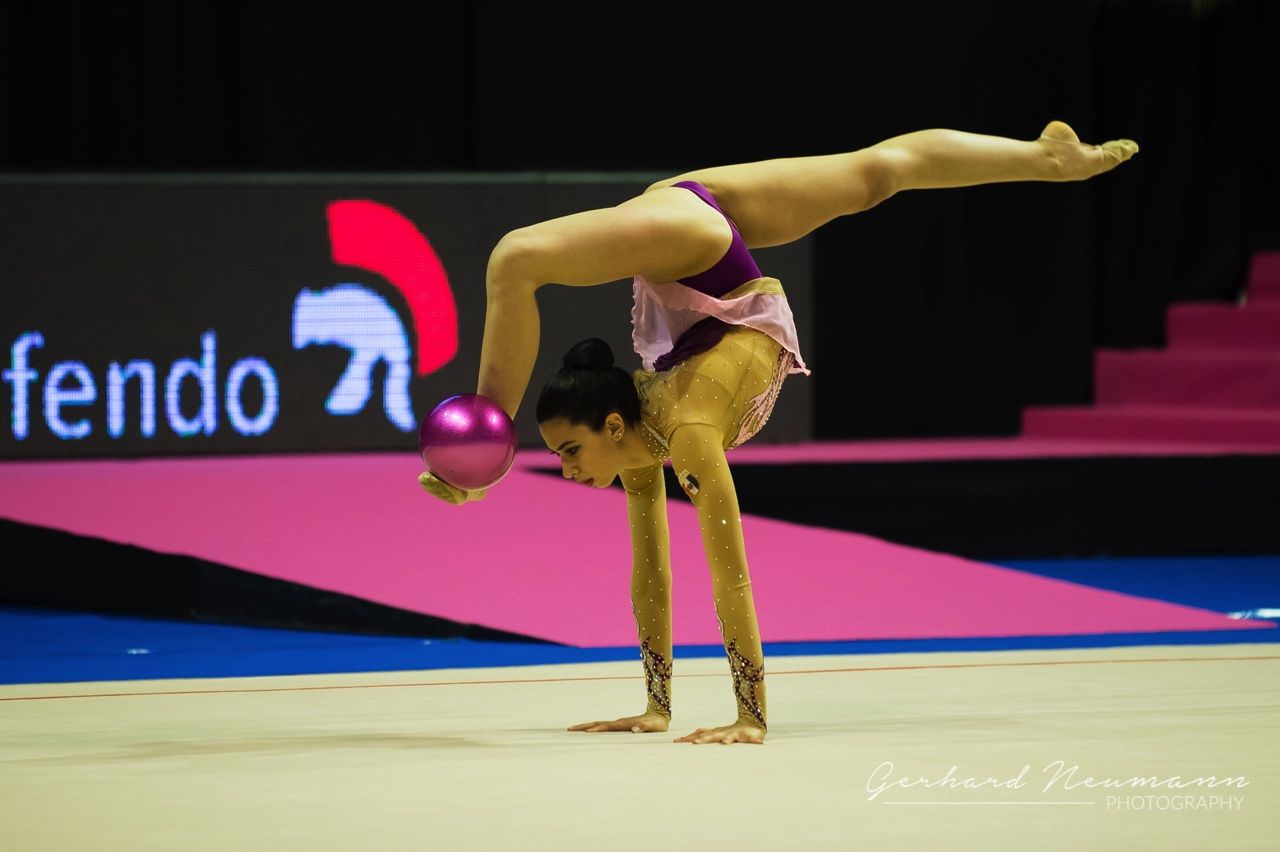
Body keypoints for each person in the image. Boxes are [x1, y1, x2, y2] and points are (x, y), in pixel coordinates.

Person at [418, 120, 1139, 745]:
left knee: (514, 259)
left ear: (608, 425)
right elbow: (653, 575)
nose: (570, 471)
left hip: (691, 242)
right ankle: (1046, 158)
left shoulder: (687, 431)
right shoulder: (637, 432)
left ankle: (487, 445)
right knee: (877, 175)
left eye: (570, 451)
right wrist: (655, 707)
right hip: (697, 240)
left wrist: (750, 716)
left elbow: (729, 573)